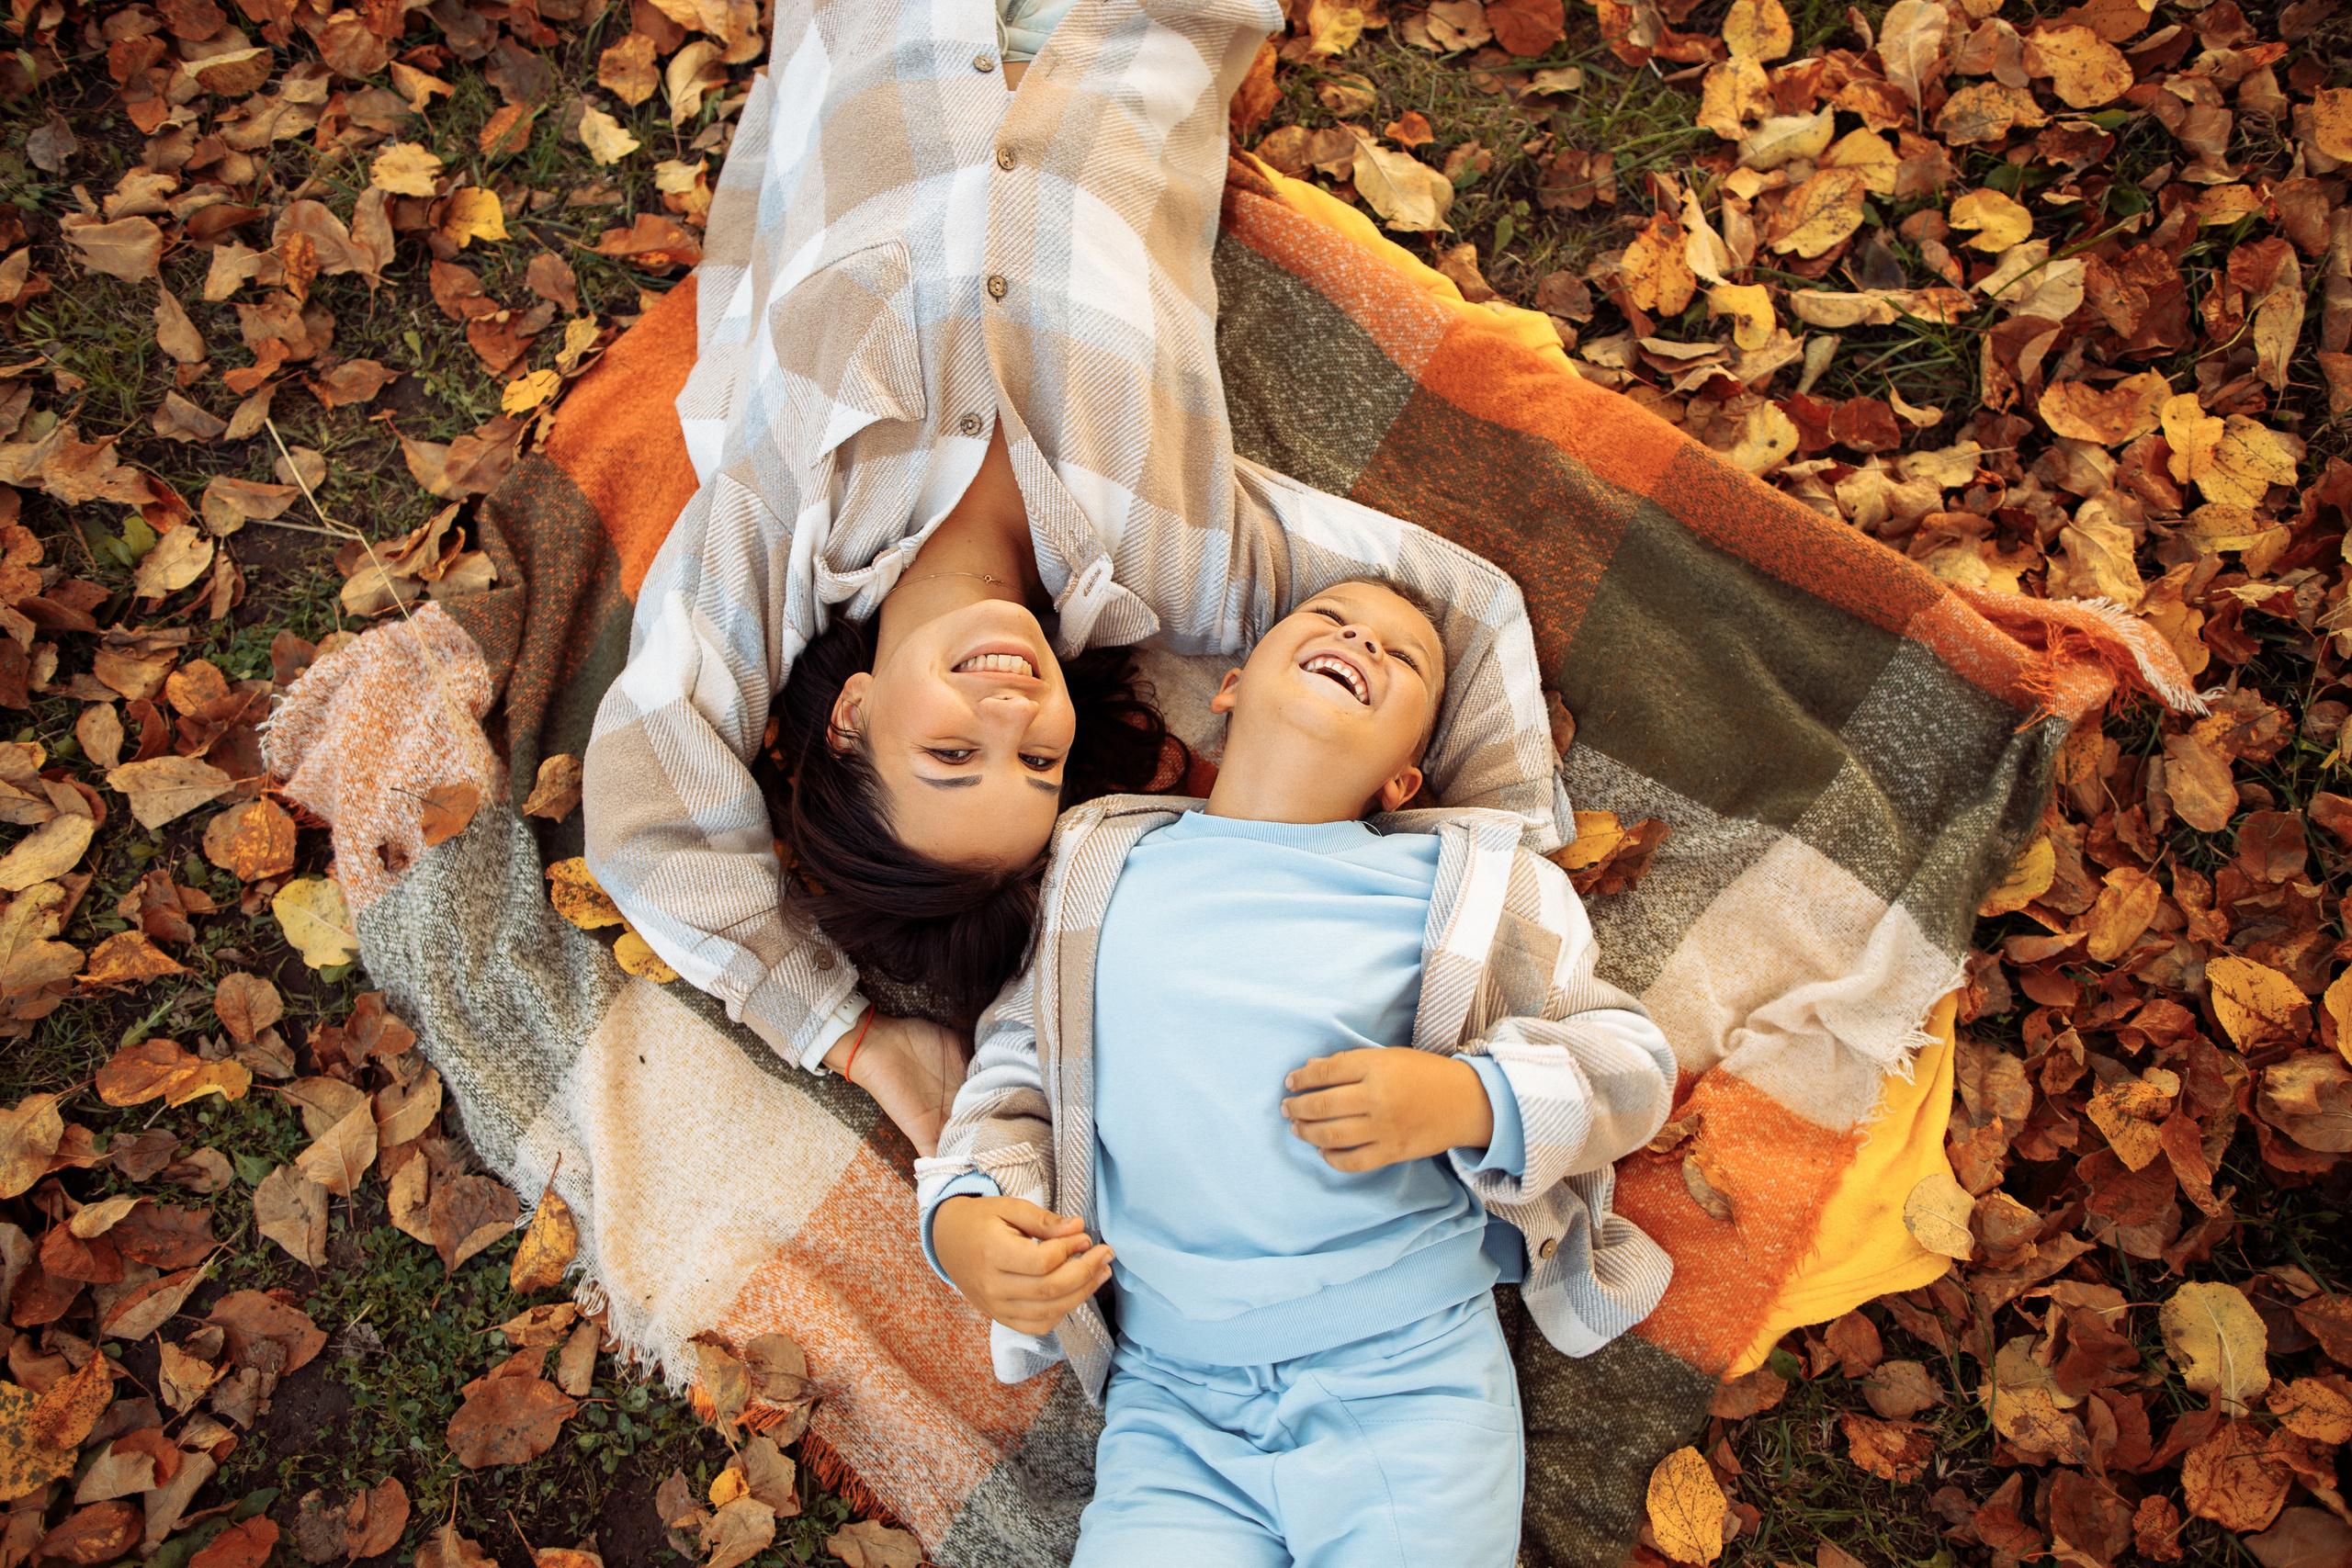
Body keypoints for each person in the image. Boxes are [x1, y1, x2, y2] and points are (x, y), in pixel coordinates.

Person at [581, 0, 1568, 1156]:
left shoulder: (787, 523)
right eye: (1038, 760)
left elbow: (648, 809)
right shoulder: (1182, 569)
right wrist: (1500, 899)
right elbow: (1467, 605)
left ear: (851, 716)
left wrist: (845, 1035)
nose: (1010, 714)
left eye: (953, 753)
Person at [916, 580, 1679, 1566]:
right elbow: (1017, 1069)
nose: (1360, 636)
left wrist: (1467, 1098)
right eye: (1326, 619)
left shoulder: (1470, 883)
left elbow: (1627, 1065)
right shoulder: (1100, 860)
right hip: (1169, 1405)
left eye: (1402, 658)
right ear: (1228, 688)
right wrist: (963, 1221)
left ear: (1405, 778)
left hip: (1408, 1376)